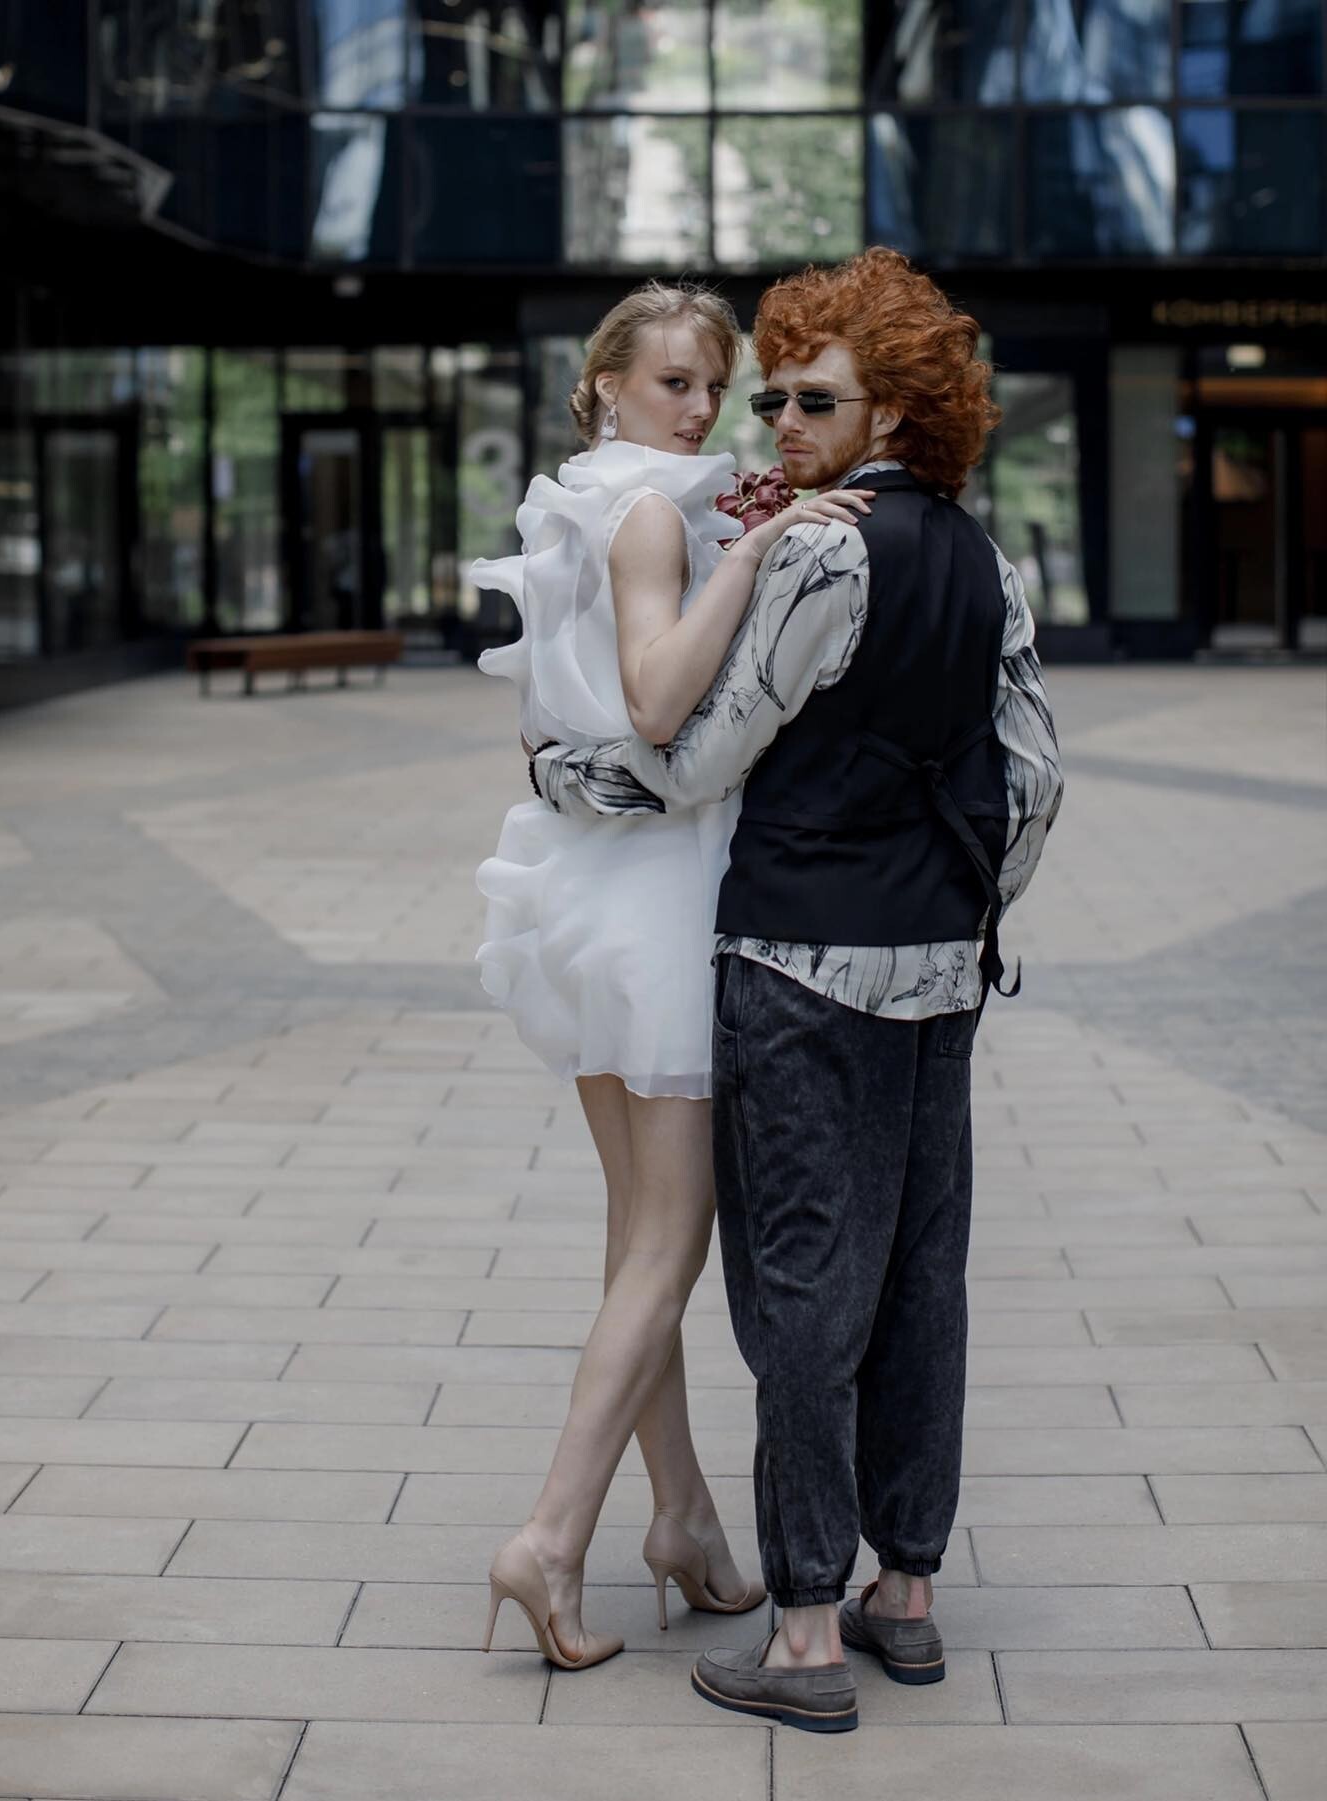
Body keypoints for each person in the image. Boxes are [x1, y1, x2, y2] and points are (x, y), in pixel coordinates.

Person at [529, 248, 1065, 1728]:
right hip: (939, 973)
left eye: (809, 399)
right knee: (924, 1284)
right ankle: (910, 1593)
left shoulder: (827, 553)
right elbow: (1036, 779)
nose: (776, 422)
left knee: (804, 1297)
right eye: (769, 397)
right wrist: (959, 910)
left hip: (797, 964)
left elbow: (698, 758)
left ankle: (810, 1634)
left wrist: (563, 772)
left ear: (894, 411)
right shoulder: (989, 559)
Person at [473, 281, 873, 1670]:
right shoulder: (650, 514)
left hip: (580, 887)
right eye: (673, 383)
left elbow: (552, 714)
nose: (702, 408)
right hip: (653, 898)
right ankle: (550, 1536)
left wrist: (735, 533)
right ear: (605, 386)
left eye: (714, 382)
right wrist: (756, 556)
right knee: (668, 1244)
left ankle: (687, 1517)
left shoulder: (573, 503)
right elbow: (654, 705)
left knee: (634, 1231)